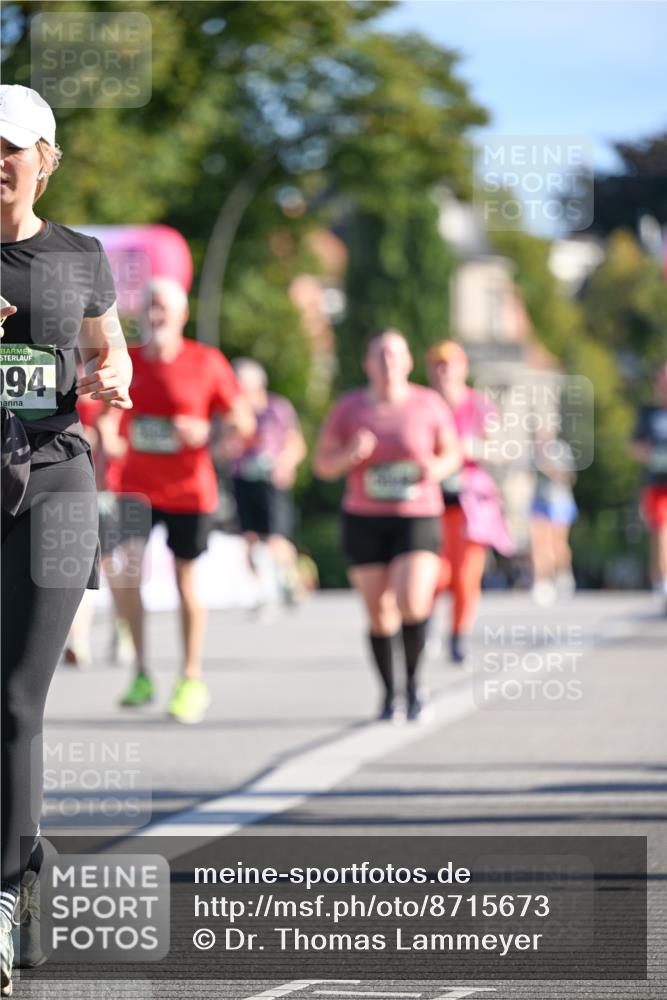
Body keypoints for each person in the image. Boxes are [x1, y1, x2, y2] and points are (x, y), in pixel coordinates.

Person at [1, 85, 132, 992]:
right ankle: (33, 853)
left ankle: (4, 894)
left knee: (15, 700)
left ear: (45, 158)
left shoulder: (77, 257)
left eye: (9, 146)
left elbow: (107, 351)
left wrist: (112, 372)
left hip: (53, 480)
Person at [112, 277, 255, 723]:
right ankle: (140, 669)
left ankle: (191, 677)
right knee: (126, 572)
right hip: (135, 486)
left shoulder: (206, 362)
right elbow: (104, 412)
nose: (155, 316)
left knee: (185, 581)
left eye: (164, 309)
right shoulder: (129, 361)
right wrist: (105, 436)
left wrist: (209, 432)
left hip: (190, 490)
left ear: (181, 316)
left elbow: (243, 421)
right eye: (150, 307)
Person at [313, 329, 461, 722]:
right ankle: (388, 693)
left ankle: (414, 685)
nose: (388, 363)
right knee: (379, 613)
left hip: (417, 515)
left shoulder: (428, 404)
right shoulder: (349, 408)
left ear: (409, 363)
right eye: (380, 356)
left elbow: (452, 453)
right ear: (367, 364)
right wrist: (348, 455)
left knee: (413, 600)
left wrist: (436, 467)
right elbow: (322, 465)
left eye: (395, 356)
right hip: (364, 517)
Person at [426, 340, 513, 662]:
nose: (444, 372)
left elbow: (502, 450)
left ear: (463, 369)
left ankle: (458, 633)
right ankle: (424, 627)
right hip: (431, 497)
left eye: (450, 365)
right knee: (434, 573)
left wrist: (471, 448)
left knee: (465, 575)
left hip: (469, 500)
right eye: (438, 365)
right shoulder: (424, 404)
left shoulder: (480, 406)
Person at [221, 358, 307, 614]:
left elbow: (296, 443)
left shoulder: (277, 408)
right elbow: (221, 447)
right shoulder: (231, 412)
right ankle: (263, 594)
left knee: (275, 540)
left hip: (271, 481)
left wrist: (286, 464)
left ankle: (289, 577)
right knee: (249, 540)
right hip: (242, 479)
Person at [631, 361, 667, 610]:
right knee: (661, 533)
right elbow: (635, 445)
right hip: (656, 481)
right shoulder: (648, 412)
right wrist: (650, 455)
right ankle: (663, 582)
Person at [529, 427, 578, 606]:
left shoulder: (560, 449)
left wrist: (549, 469)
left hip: (559, 500)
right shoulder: (532, 450)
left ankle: (563, 574)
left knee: (558, 543)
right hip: (539, 500)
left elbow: (569, 477)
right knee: (539, 543)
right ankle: (543, 581)